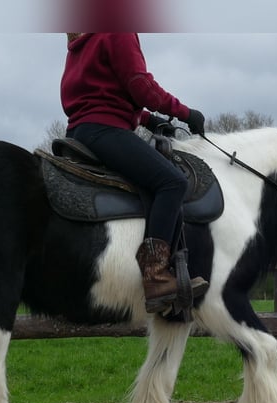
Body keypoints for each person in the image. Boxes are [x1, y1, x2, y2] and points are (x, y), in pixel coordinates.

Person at [60, 33, 207, 314]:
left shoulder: (84, 39)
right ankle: (156, 276)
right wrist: (185, 113)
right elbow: (141, 86)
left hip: (79, 131)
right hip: (105, 130)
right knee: (172, 182)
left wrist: (148, 120)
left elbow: (102, 92)